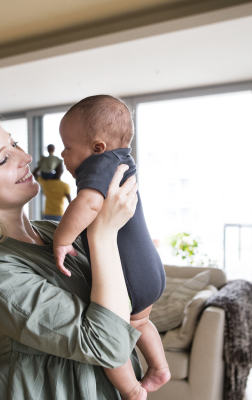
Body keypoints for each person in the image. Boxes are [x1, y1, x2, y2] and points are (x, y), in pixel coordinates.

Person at [0, 108, 147, 400]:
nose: (26, 158)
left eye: (15, 143)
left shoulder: (51, 232)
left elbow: (124, 296)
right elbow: (108, 346)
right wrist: (103, 234)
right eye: (4, 159)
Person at [53, 95, 170, 396]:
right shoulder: (123, 161)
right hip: (150, 268)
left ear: (97, 148)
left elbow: (89, 204)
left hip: (126, 274)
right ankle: (159, 368)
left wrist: (62, 238)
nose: (63, 155)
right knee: (141, 322)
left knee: (111, 331)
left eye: (67, 146)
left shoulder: (99, 164)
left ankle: (131, 389)